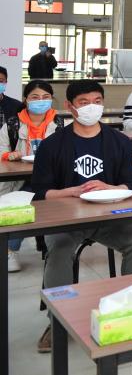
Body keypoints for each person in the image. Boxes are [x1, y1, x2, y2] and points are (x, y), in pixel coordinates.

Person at [31, 80, 132, 352]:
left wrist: (110, 188)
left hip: (108, 217)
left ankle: (130, 310)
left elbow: (130, 185)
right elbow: (40, 193)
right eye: (84, 103)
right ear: (70, 106)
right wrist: (71, 191)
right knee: (59, 248)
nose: (91, 107)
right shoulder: (52, 145)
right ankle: (57, 321)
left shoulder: (119, 141)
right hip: (66, 219)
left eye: (97, 101)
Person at [1, 80, 62, 273]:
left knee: (49, 198)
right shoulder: (12, 125)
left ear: (51, 99)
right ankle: (10, 250)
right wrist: (9, 155)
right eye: (35, 97)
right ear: (26, 99)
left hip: (52, 177)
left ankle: (57, 246)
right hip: (19, 178)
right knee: (21, 199)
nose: (40, 101)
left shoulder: (60, 123)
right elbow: (1, 151)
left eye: (45, 97)